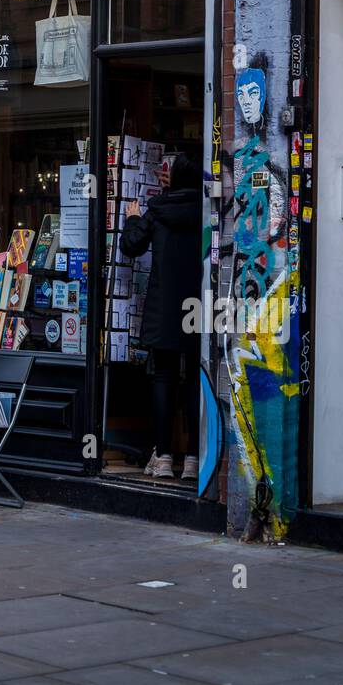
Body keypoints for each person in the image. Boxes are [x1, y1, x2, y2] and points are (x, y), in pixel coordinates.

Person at [119, 153, 202, 482]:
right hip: (197, 306)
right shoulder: (207, 210)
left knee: (164, 378)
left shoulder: (157, 210)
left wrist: (132, 218)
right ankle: (195, 458)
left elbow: (131, 245)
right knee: (197, 379)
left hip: (165, 306)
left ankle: (164, 456)